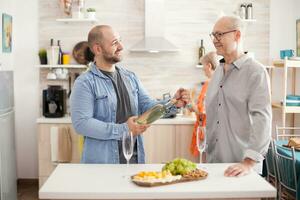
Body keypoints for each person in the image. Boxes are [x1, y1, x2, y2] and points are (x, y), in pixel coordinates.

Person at [70, 25, 189, 164]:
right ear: (98, 49)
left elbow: (147, 106)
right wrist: (124, 129)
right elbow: (82, 123)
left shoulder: (130, 77)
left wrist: (173, 102)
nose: (121, 46)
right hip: (103, 164)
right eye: (115, 43)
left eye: (120, 40)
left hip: (134, 159)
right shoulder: (85, 82)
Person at [205, 16, 272, 176]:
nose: (215, 40)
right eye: (213, 35)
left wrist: (248, 164)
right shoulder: (217, 73)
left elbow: (262, 119)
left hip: (242, 169)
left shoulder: (256, 72)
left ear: (237, 35)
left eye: (219, 34)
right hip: (214, 165)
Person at [189, 52, 218, 159]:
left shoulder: (211, 84)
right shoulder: (211, 83)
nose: (203, 69)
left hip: (208, 131)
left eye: (203, 66)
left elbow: (204, 112)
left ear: (209, 66)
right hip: (206, 130)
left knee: (207, 163)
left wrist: (192, 106)